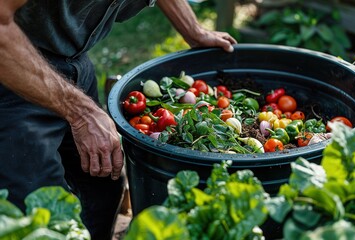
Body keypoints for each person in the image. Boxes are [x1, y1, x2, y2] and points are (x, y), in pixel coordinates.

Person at [0, 0, 237, 239]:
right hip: (14, 69)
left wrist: (194, 30)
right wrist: (82, 113)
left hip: (71, 60)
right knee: (38, 216)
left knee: (101, 185)